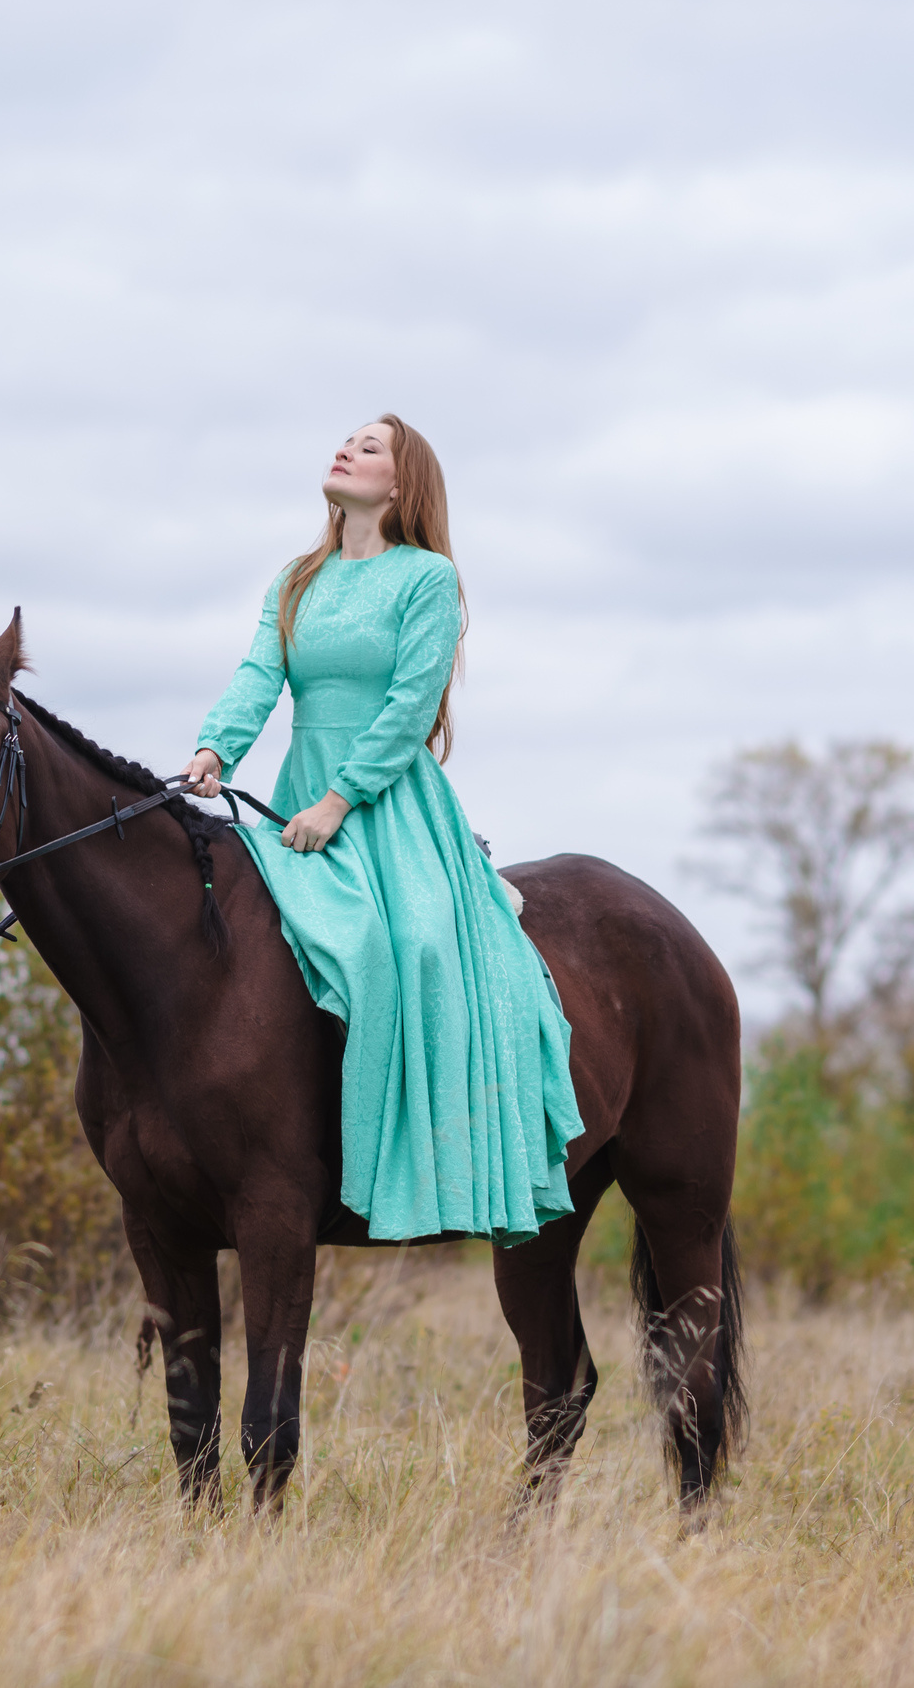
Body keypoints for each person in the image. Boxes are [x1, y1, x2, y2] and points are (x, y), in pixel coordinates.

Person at [182, 415, 585, 1245]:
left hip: (389, 803)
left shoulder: (427, 578)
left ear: (401, 485)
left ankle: (428, 1159)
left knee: (416, 944)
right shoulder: (297, 580)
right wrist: (214, 746)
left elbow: (410, 708)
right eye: (346, 441)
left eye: (369, 447)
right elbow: (259, 675)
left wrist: (340, 799)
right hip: (297, 801)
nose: (346, 450)